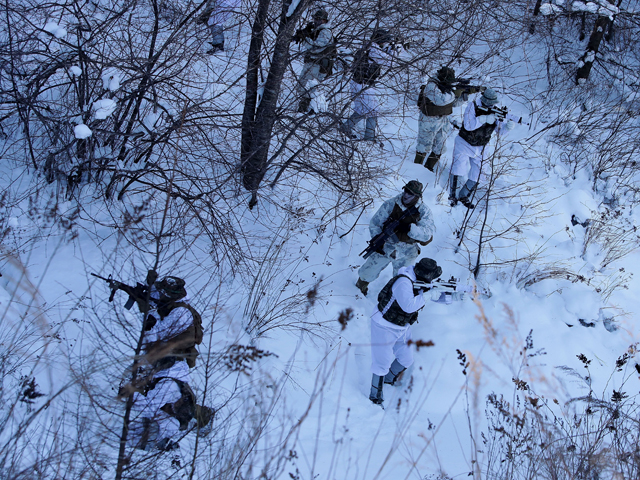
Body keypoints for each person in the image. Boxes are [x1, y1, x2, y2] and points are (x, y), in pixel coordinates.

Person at [369, 257, 442, 405]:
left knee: (406, 359)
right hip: (384, 325)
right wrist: (427, 295)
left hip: (402, 327)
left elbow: (432, 295)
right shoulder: (404, 282)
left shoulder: (420, 281)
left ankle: (388, 381)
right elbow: (408, 306)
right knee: (381, 363)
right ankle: (375, 396)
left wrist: (455, 295)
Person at [355, 180, 435, 296]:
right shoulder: (391, 204)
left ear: (417, 196)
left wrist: (409, 228)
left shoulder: (424, 211)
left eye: (410, 193)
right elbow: (375, 223)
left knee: (403, 281)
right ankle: (357, 292)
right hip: (386, 245)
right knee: (367, 272)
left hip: (407, 250)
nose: (406, 195)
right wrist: (378, 239)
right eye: (406, 191)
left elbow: (427, 235)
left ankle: (395, 303)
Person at [449, 87, 515, 209]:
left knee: (480, 173)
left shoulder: (495, 111)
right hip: (464, 142)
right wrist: (483, 119)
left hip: (482, 146)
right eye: (490, 102)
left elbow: (499, 131)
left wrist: (507, 127)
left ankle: (464, 195)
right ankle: (452, 196)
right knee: (458, 168)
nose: (491, 105)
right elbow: (468, 126)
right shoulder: (472, 106)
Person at [128, 361, 214, 451]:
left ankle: (148, 446)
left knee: (149, 419)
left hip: (170, 424)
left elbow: (149, 407)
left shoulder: (167, 384)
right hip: (173, 420)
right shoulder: (174, 376)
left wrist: (131, 394)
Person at [414, 66, 480, 171]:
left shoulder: (446, 86)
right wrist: (454, 93)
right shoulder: (431, 86)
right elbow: (441, 100)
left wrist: (464, 94)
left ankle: (428, 168)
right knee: (423, 146)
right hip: (428, 120)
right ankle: (415, 169)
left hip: (442, 119)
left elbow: (453, 103)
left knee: (440, 147)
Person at [339, 29, 396, 142]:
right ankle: (369, 138)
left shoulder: (367, 47)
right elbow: (391, 63)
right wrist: (392, 51)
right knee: (373, 111)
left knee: (361, 110)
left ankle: (345, 128)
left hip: (356, 83)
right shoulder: (374, 50)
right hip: (364, 85)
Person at [143, 276, 203, 369]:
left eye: (161, 292)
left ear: (167, 295)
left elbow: (158, 335)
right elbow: (154, 294)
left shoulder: (180, 313)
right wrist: (149, 283)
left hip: (173, 364)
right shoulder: (171, 302)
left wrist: (151, 314)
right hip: (163, 356)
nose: (158, 293)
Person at [293, 9, 333, 114]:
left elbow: (315, 48)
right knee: (301, 86)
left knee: (309, 88)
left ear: (324, 20)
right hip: (311, 63)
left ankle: (307, 110)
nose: (316, 21)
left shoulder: (325, 32)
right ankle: (306, 109)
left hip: (317, 64)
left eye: (318, 19)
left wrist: (304, 38)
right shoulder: (316, 30)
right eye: (315, 19)